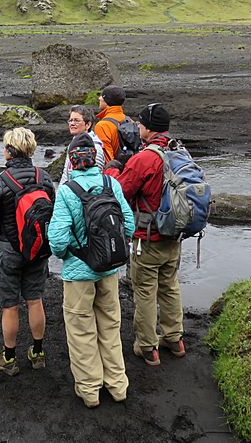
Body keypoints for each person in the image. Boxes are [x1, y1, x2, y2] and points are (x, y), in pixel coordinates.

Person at [48, 133, 135, 408]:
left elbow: (58, 240)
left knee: (81, 331)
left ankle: (90, 391)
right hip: (109, 271)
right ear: (96, 159)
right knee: (110, 326)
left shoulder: (66, 192)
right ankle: (118, 385)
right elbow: (129, 227)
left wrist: (71, 255)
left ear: (72, 162)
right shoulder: (112, 184)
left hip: (78, 275)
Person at [105, 103, 185, 366]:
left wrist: (114, 168)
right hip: (175, 234)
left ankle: (148, 347)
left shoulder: (144, 158)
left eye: (140, 124)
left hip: (147, 237)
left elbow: (121, 191)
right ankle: (175, 339)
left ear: (148, 128)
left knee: (145, 292)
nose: (137, 128)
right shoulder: (179, 151)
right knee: (170, 287)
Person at [0, 127, 56, 376]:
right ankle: (37, 353)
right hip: (36, 249)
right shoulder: (43, 177)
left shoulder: (0, 181)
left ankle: (8, 358)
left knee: (9, 306)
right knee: (35, 300)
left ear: (9, 150)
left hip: (7, 250)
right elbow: (50, 214)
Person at [60, 105, 105, 184]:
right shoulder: (72, 144)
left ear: (88, 125)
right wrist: (60, 192)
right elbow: (66, 173)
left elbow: (95, 177)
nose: (72, 124)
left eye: (77, 120)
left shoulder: (95, 148)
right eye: (70, 120)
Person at [93, 85, 127, 164]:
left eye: (102, 96)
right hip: (129, 171)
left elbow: (107, 158)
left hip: (114, 173)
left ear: (106, 101)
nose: (99, 98)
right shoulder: (130, 121)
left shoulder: (102, 126)